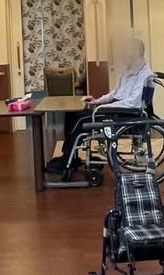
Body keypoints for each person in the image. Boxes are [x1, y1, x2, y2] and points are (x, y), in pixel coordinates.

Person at [47, 35, 153, 173]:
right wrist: (97, 101)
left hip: (126, 114)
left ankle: (67, 160)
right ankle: (70, 156)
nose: (122, 54)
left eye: (126, 50)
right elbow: (115, 93)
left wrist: (104, 107)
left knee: (80, 120)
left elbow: (133, 103)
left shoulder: (145, 75)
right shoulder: (128, 71)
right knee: (72, 114)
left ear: (136, 52)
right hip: (117, 109)